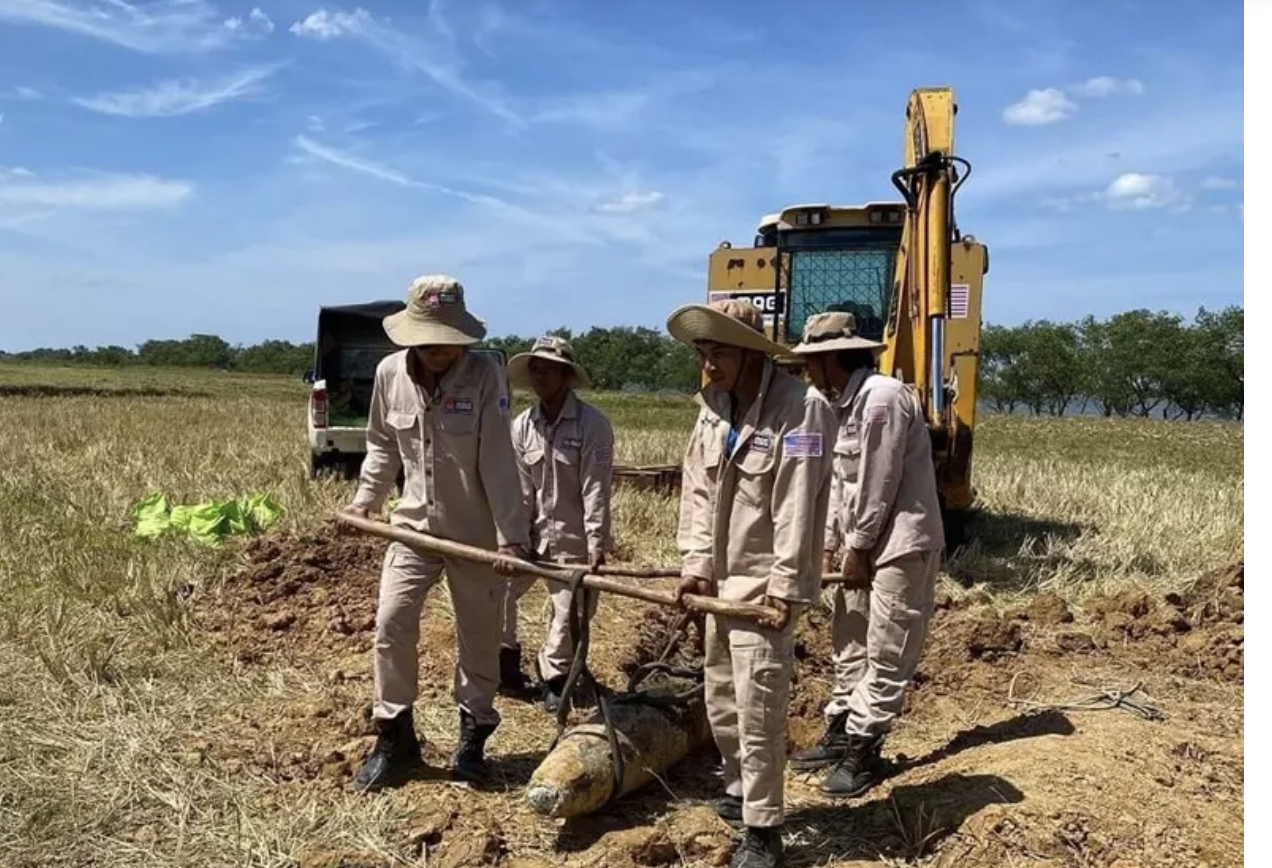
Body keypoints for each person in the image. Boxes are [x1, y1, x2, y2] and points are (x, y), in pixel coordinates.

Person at [340, 274, 531, 791]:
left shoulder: (486, 375)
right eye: (430, 339)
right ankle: (395, 734)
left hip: (473, 532)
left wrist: (512, 535)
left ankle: (473, 734)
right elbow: (381, 445)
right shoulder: (389, 375)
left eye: (449, 340)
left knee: (479, 634)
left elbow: (498, 458)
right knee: (392, 623)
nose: (440, 350)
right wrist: (366, 502)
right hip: (414, 528)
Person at [668, 299, 836, 868]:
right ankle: (739, 787)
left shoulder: (801, 409)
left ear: (752, 353)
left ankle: (763, 828)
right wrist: (694, 563)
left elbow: (798, 504)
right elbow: (696, 490)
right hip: (718, 582)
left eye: (720, 353)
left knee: (759, 706)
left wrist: (786, 585)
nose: (709, 364)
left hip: (765, 587)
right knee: (720, 696)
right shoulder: (713, 408)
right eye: (704, 352)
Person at [786, 311, 945, 799]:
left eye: (811, 361)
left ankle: (864, 749)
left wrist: (857, 545)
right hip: (859, 543)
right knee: (849, 640)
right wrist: (832, 545)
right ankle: (840, 730)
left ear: (833, 358)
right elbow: (839, 483)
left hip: (899, 543)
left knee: (887, 648)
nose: (806, 371)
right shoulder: (836, 406)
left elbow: (879, 480)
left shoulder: (883, 399)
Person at [499, 335, 615, 711]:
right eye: (535, 368)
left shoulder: (592, 426)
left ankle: (555, 677)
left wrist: (597, 544)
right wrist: (511, 539)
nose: (540, 375)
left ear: (566, 376)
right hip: (531, 536)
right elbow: (517, 489)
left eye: (548, 369)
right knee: (495, 590)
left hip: (574, 541)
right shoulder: (522, 426)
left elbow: (595, 488)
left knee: (569, 613)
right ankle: (505, 663)